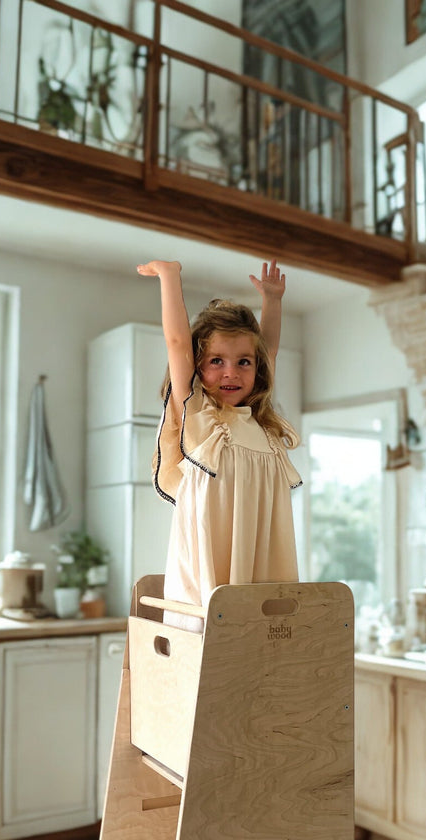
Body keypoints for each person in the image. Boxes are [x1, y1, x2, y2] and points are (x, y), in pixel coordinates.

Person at [136, 257, 302, 630]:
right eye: (216, 361)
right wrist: (170, 276)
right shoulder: (200, 416)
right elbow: (177, 342)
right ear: (197, 365)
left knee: (259, 637)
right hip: (210, 564)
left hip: (259, 561)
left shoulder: (260, 425)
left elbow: (268, 350)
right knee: (213, 637)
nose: (231, 371)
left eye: (244, 362)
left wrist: (272, 302)